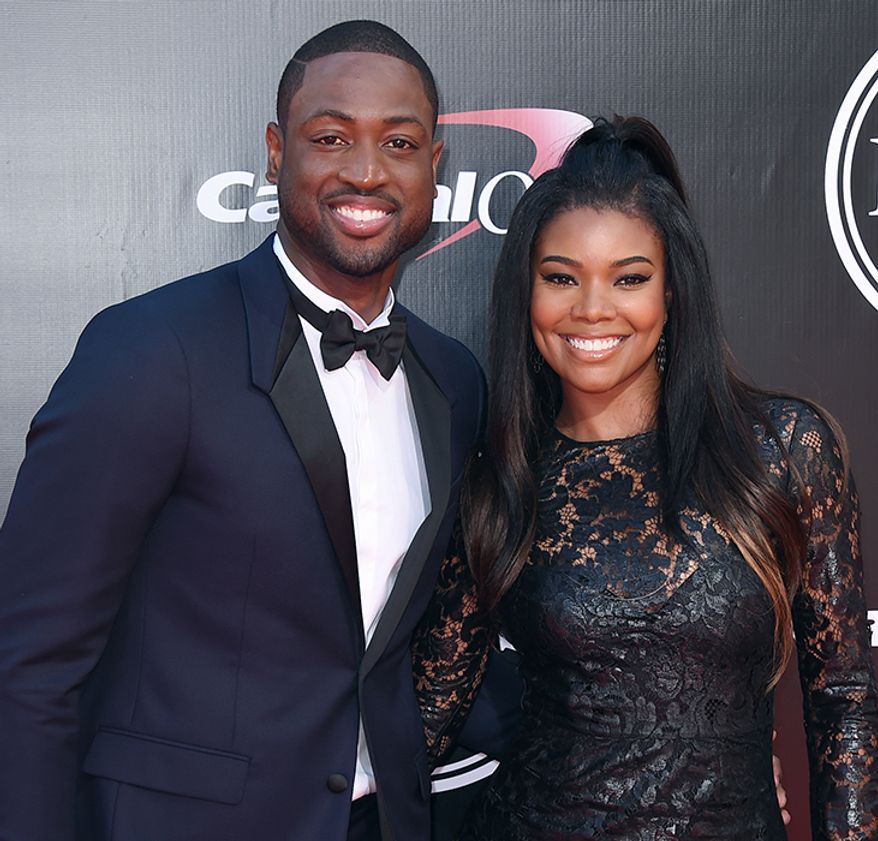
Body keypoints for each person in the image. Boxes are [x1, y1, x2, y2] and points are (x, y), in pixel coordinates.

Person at [0, 20, 487, 841]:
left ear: (434, 167)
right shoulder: (154, 350)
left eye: (399, 142)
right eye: (331, 137)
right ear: (274, 152)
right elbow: (31, 662)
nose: (366, 171)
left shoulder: (454, 379)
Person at [413, 116, 878, 839]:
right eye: (560, 277)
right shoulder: (501, 477)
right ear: (526, 294)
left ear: (672, 291)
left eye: (629, 277)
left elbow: (844, 698)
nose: (592, 308)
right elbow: (424, 714)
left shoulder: (785, 447)